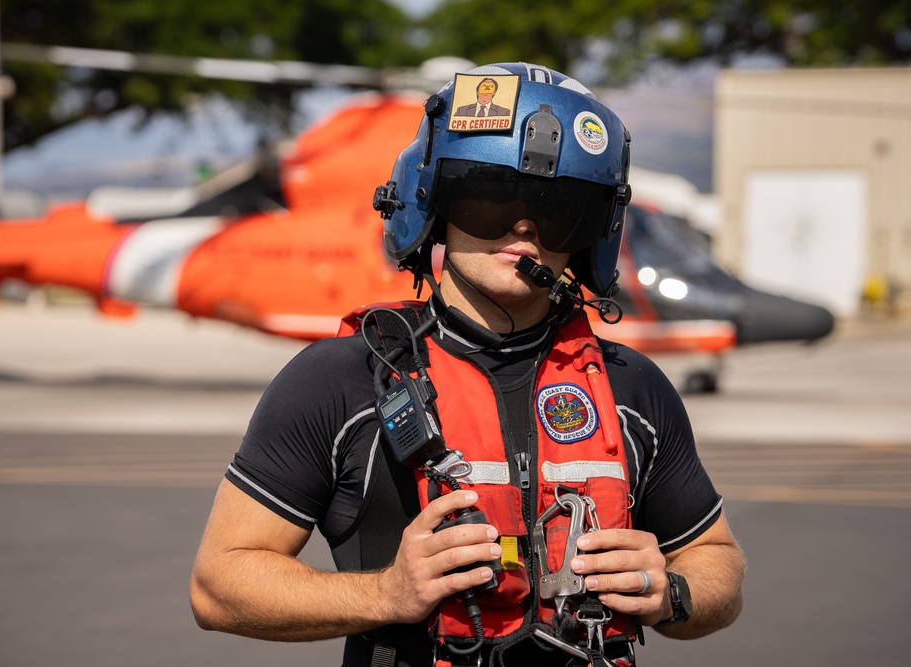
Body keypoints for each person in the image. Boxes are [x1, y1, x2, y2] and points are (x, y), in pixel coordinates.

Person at [190, 62, 745, 667]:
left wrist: (673, 593)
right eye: (490, 198)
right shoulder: (340, 380)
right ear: (435, 206)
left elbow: (718, 565)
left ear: (591, 231)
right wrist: (384, 594)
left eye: (559, 206)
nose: (524, 227)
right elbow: (218, 587)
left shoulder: (630, 386)